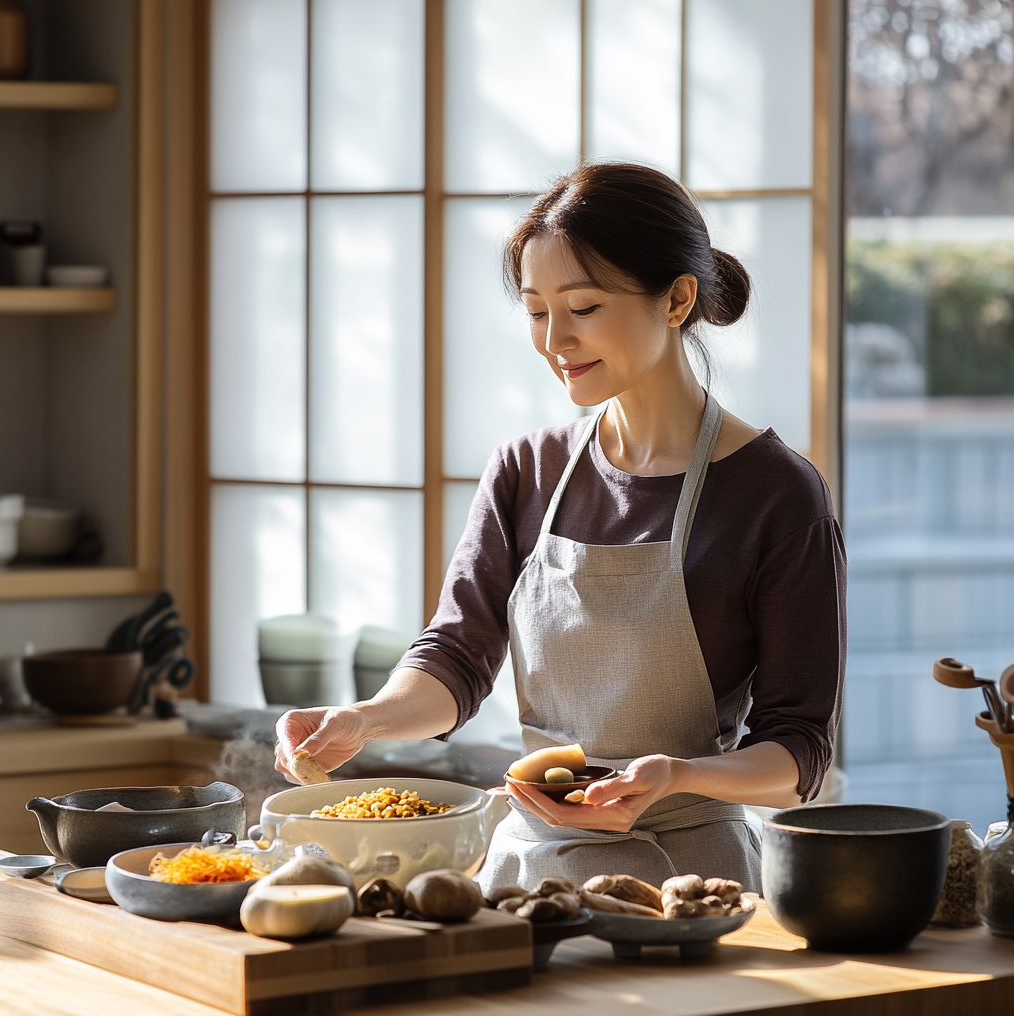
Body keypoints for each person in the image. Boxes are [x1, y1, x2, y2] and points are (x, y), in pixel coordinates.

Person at [274, 163, 846, 893]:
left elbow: (798, 757)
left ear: (676, 300)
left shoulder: (776, 493)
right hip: (523, 876)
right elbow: (457, 656)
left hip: (692, 886)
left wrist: (675, 778)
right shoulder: (526, 469)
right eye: (538, 311)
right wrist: (366, 719)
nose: (555, 340)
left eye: (582, 307)